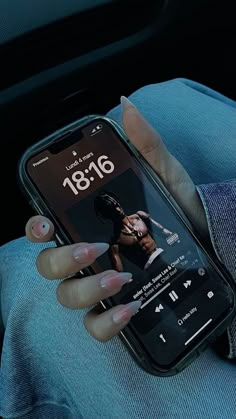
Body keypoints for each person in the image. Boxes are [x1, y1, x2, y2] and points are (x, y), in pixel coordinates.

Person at [1, 78, 236, 418]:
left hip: (183, 270)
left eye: (112, 200)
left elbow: (168, 229)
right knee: (156, 104)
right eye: (107, 204)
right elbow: (120, 275)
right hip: (166, 277)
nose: (113, 205)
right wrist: (203, 219)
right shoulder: (116, 241)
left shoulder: (140, 216)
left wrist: (189, 241)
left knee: (30, 277)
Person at [94, 191, 176, 272]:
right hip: (151, 267)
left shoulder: (139, 217)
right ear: (107, 215)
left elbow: (162, 231)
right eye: (113, 210)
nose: (118, 210)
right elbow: (118, 271)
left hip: (163, 255)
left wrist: (179, 240)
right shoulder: (115, 242)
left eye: (116, 205)